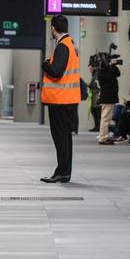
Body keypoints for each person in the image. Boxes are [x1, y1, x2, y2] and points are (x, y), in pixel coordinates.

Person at [40, 14, 82, 184]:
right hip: (66, 98)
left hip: (60, 99)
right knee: (65, 137)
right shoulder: (70, 44)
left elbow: (56, 71)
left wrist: (45, 64)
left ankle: (62, 172)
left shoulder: (63, 46)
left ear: (53, 29)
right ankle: (63, 171)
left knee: (60, 137)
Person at [96, 54, 122, 144]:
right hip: (107, 97)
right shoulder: (103, 71)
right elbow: (111, 77)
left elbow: (118, 74)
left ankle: (104, 136)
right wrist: (112, 65)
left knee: (107, 117)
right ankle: (103, 138)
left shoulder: (106, 70)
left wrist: (113, 65)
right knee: (105, 118)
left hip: (108, 97)